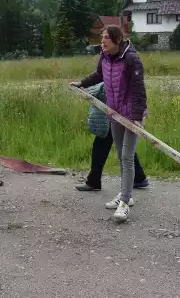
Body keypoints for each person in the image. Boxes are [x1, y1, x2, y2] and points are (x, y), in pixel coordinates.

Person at [70, 24, 147, 223]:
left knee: (127, 157)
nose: (102, 41)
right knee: (121, 157)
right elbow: (99, 76)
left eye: (105, 38)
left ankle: (125, 202)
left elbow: (139, 90)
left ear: (117, 40)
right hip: (114, 112)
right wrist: (82, 83)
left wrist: (137, 119)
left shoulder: (131, 59)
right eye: (101, 37)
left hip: (131, 116)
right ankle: (124, 195)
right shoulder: (105, 57)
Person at [76, 82, 149, 192]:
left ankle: (94, 181)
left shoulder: (121, 71)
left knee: (102, 147)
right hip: (114, 116)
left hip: (117, 116)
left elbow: (105, 91)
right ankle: (139, 178)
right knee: (121, 148)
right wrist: (83, 84)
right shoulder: (108, 68)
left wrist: (88, 87)